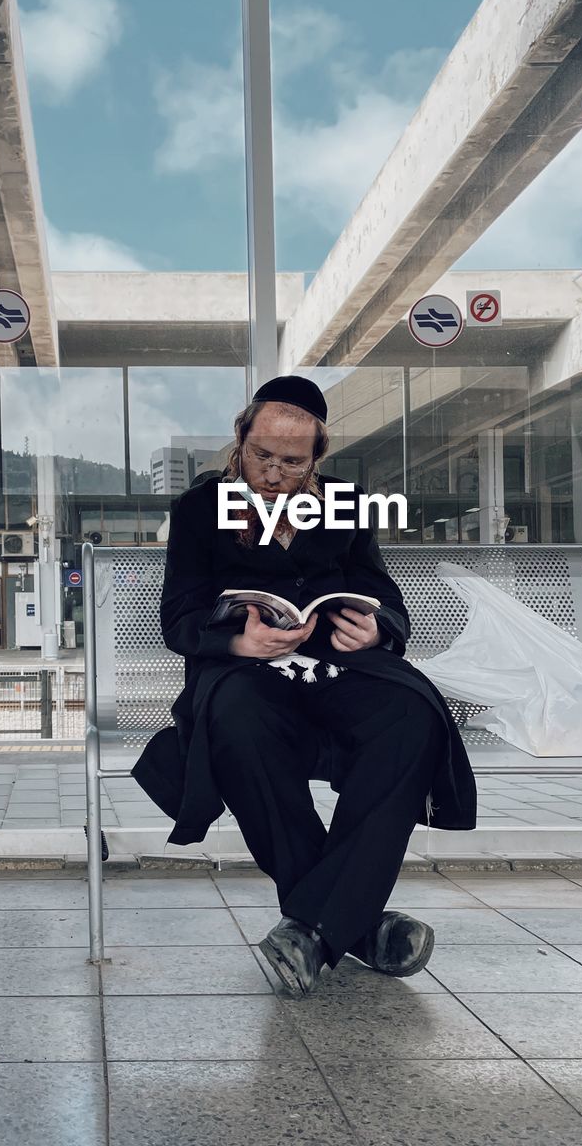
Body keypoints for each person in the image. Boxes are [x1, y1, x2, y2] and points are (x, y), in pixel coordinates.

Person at [131, 375, 477, 996]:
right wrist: (238, 639)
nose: (273, 472)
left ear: (317, 457)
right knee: (235, 720)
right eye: (262, 455)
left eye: (292, 462)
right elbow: (178, 615)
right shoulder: (200, 508)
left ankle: (314, 929)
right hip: (245, 675)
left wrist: (374, 629)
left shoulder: (343, 502)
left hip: (341, 671)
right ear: (240, 439)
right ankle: (355, 926)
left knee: (413, 712)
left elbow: (386, 596)